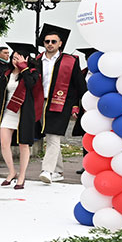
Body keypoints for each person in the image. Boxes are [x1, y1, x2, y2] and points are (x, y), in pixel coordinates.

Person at [35, 24, 84, 184]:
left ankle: (47, 170)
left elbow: (78, 85)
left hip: (61, 103)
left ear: (60, 44)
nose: (50, 44)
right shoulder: (36, 60)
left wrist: (76, 105)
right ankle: (58, 171)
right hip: (40, 103)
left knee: (54, 135)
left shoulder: (70, 61)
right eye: (47, 41)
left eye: (53, 41)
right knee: (50, 137)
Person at [0, 43, 43, 190]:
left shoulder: (32, 73)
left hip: (24, 113)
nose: (15, 61)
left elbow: (30, 85)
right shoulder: (7, 73)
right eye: (14, 58)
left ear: (26, 59)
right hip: (8, 111)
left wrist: (24, 68)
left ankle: (22, 176)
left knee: (24, 144)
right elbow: (0, 94)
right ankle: (11, 172)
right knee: (4, 143)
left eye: (19, 58)